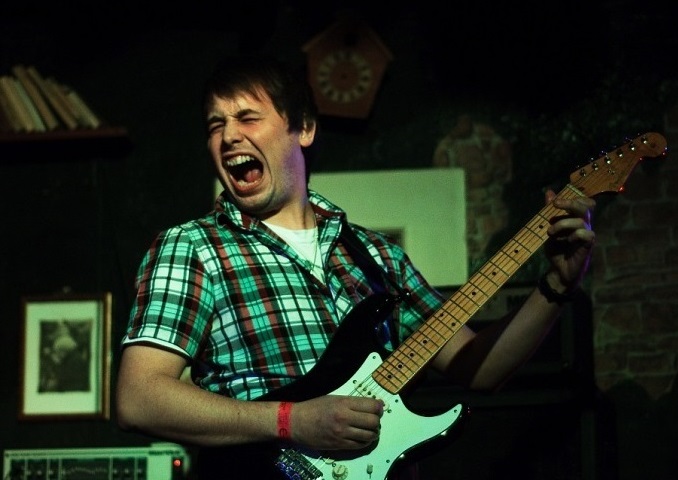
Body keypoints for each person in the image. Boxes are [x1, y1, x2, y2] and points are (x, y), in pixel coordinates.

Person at [115, 54, 596, 480]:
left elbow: (480, 368)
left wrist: (554, 287)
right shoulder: (193, 246)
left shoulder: (377, 255)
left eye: (247, 117)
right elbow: (138, 398)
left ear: (303, 128)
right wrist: (291, 421)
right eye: (215, 125)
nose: (228, 136)